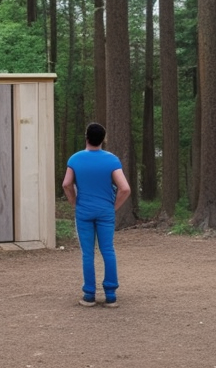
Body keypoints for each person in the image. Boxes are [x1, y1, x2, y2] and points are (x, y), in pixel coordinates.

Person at [62, 122, 131, 308]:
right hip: (105, 211)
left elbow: (66, 184)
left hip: (83, 211)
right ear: (103, 139)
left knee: (88, 253)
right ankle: (110, 295)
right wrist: (113, 207)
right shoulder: (111, 160)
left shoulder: (75, 159)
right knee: (107, 250)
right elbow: (124, 188)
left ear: (86, 137)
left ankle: (89, 295)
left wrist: (74, 202)